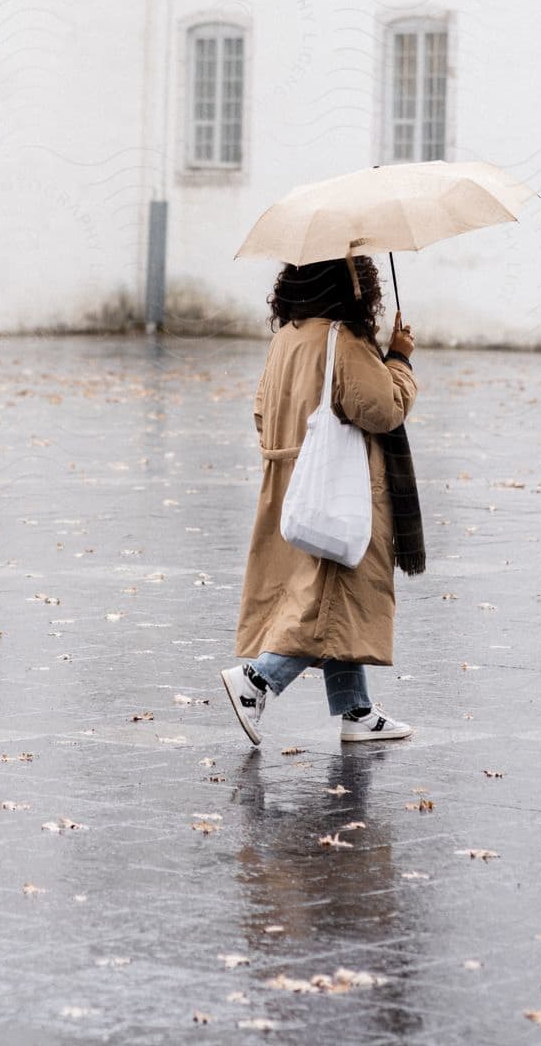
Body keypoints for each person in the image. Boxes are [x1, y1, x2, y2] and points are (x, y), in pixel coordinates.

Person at [221, 256, 423, 746]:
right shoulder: (345, 341)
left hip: (293, 488)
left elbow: (260, 410)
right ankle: (256, 681)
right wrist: (398, 359)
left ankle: (357, 710)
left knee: (335, 597)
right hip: (341, 490)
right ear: (353, 289)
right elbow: (382, 410)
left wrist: (290, 454)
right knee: (327, 597)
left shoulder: (287, 336)